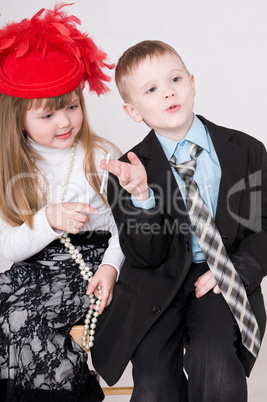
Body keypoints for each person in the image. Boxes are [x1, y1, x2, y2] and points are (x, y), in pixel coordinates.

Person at [91, 40, 267, 401]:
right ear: (133, 111)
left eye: (175, 80)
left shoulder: (246, 150)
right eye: (151, 90)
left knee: (214, 364)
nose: (168, 93)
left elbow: (263, 224)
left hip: (218, 274)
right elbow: (145, 256)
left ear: (192, 82)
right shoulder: (128, 170)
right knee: (155, 384)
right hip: (155, 283)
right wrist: (142, 197)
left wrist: (235, 269)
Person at [0, 4, 124, 401]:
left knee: (23, 317)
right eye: (48, 114)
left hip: (88, 262)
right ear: (17, 118)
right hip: (36, 260)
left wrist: (109, 268)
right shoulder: (12, 166)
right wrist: (48, 220)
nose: (65, 122)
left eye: (72, 107)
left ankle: (76, 394)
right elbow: (8, 247)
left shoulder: (100, 156)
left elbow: (129, 227)